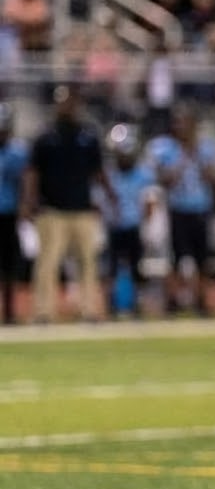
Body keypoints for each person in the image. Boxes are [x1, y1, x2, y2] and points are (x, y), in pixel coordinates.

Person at [20, 85, 115, 323]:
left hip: (82, 208)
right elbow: (33, 172)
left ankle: (89, 310)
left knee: (87, 262)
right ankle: (43, 312)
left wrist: (109, 194)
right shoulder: (45, 136)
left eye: (71, 102)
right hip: (52, 209)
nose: (68, 107)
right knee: (48, 263)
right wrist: (29, 200)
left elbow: (98, 171)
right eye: (63, 102)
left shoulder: (88, 135)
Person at [146, 103, 215, 316]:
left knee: (202, 260)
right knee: (176, 259)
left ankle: (201, 300)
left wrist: (196, 155)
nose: (182, 127)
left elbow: (212, 178)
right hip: (177, 208)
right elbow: (163, 180)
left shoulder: (204, 147)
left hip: (200, 207)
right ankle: (173, 299)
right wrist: (182, 159)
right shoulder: (165, 148)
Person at [101, 123, 157, 317]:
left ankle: (136, 304)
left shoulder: (143, 173)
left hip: (134, 226)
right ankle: (111, 305)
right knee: (111, 270)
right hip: (113, 226)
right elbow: (99, 202)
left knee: (136, 269)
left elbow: (149, 202)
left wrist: (148, 227)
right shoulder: (107, 173)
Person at [0, 102, 29, 324]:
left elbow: (25, 182)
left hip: (8, 213)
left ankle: (9, 311)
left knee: (9, 266)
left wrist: (24, 206)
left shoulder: (18, 152)